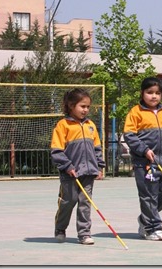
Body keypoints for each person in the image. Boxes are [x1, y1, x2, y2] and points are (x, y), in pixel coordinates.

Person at [123, 77, 162, 241]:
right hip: (145, 164)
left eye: (157, 93)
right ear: (142, 93)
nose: (154, 96)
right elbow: (129, 135)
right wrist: (144, 150)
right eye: (149, 92)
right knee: (148, 195)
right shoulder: (135, 112)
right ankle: (153, 228)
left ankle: (145, 218)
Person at [51, 88, 105, 245]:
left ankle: (84, 233)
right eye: (82, 106)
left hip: (88, 172)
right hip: (70, 174)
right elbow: (56, 150)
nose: (86, 110)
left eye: (88, 107)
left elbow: (97, 148)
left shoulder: (91, 125)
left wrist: (99, 167)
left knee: (85, 203)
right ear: (71, 105)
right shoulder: (63, 125)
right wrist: (67, 165)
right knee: (69, 201)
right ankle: (60, 228)